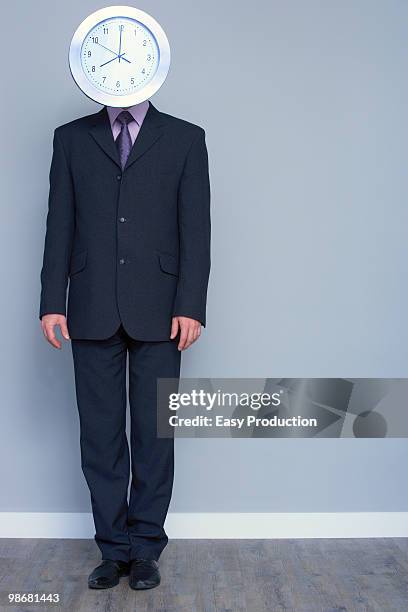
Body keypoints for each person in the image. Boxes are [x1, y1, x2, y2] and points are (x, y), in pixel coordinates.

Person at [39, 100, 211, 590]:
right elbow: (60, 224)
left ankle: (146, 551)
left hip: (161, 310)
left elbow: (196, 230)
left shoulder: (185, 137)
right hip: (90, 306)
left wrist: (191, 305)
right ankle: (112, 551)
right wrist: (54, 301)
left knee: (155, 436)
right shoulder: (71, 138)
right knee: (100, 438)